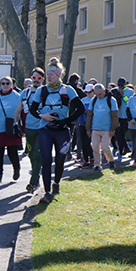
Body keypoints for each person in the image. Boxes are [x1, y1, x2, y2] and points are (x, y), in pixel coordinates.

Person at [29, 58, 84, 203]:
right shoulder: (41, 90)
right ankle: (46, 193)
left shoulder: (67, 90)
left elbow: (81, 108)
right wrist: (44, 116)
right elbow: (32, 109)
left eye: (51, 74)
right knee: (46, 160)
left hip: (62, 130)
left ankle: (56, 183)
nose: (48, 76)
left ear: (59, 74)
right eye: (47, 74)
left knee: (60, 161)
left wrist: (65, 121)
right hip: (45, 129)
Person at [16, 67, 45, 193]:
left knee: (38, 155)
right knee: (32, 155)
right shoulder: (25, 93)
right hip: (29, 128)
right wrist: (15, 123)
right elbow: (18, 110)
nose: (36, 80)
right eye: (34, 77)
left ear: (43, 79)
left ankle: (33, 182)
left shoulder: (46, 92)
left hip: (43, 127)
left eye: (39, 78)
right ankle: (36, 178)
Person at [85, 83, 118, 171]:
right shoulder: (93, 100)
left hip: (107, 129)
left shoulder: (111, 100)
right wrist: (88, 129)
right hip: (95, 128)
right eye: (96, 94)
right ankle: (97, 165)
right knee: (95, 147)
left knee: (105, 147)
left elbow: (115, 116)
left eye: (100, 94)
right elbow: (89, 115)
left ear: (104, 91)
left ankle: (111, 160)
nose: (98, 96)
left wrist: (113, 129)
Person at [76, 84, 94, 168]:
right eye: (86, 92)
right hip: (82, 123)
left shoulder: (95, 100)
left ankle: (92, 158)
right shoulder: (83, 99)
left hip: (91, 124)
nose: (88, 94)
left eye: (89, 92)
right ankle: (85, 160)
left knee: (87, 143)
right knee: (83, 143)